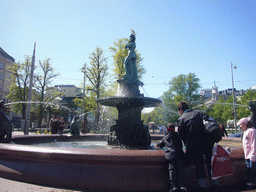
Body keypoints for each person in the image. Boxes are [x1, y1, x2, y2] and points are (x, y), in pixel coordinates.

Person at [177, 101, 213, 191]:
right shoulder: (200, 113)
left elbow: (181, 135)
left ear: (180, 110)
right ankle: (214, 183)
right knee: (210, 163)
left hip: (194, 145)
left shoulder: (182, 118)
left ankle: (202, 186)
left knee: (199, 164)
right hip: (208, 143)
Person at [156, 123, 187, 192]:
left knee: (172, 170)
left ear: (167, 129)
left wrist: (157, 145)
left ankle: (173, 187)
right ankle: (182, 186)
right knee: (180, 170)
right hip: (179, 154)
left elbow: (160, 145)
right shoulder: (178, 136)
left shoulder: (166, 137)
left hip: (170, 155)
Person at [238, 117, 256, 186]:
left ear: (246, 124)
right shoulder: (245, 131)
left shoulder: (252, 131)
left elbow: (254, 143)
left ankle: (253, 182)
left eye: (242, 124)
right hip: (247, 155)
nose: (240, 126)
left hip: (252, 155)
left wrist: (253, 154)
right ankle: (251, 181)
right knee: (248, 168)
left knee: (252, 169)